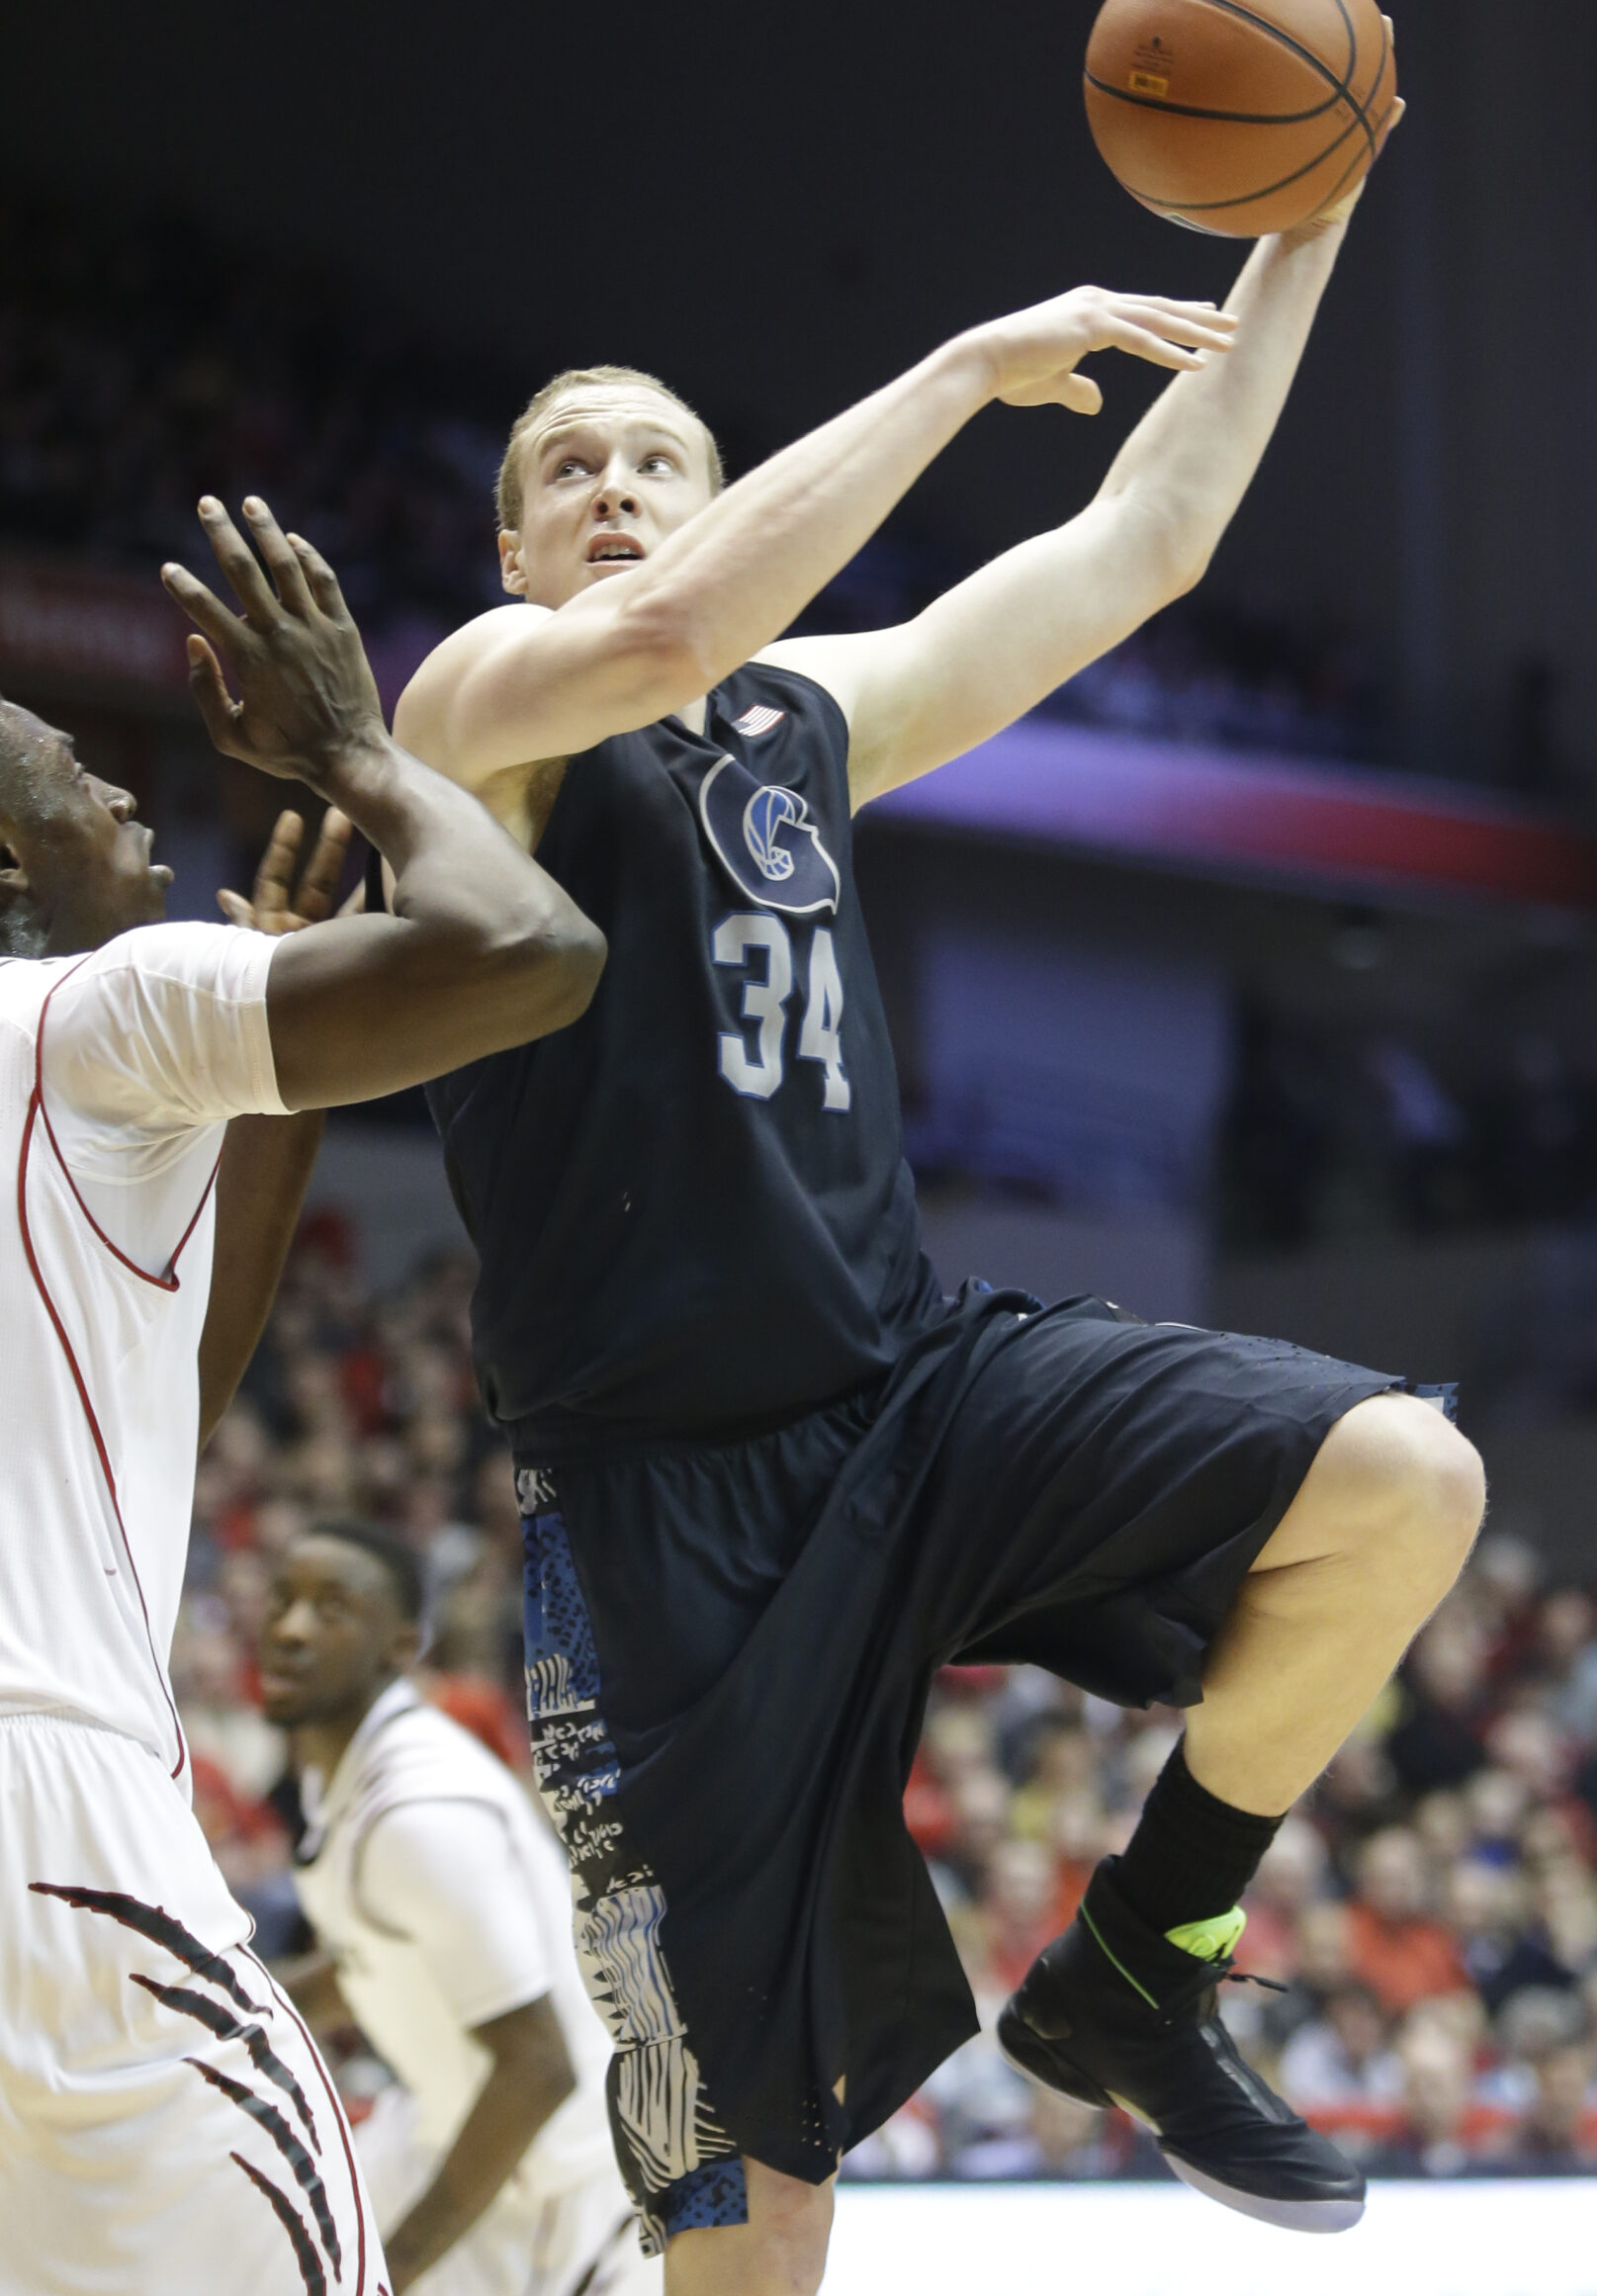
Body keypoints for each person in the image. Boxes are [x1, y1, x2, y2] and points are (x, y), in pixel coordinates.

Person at [397, 118, 1485, 2289]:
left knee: (1401, 1478)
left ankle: (1138, 1967)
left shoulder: (803, 710)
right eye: (569, 469)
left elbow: (1144, 536)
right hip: (657, 1510)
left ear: (716, 495)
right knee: (751, 2199)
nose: (615, 489)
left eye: (656, 460)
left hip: (906, 1388)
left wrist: (1314, 206)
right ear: (511, 544)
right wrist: (965, 367)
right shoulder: (474, 710)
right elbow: (665, 628)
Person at [0, 498, 605, 2294]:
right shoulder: (83, 1012)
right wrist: (357, 745)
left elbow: (157, 1403)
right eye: (70, 777)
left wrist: (266, 1104)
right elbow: (533, 954)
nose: (125, 797)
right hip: (53, 1809)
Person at [260, 1518, 655, 2296]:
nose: (292, 1629)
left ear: (402, 1647)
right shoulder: (346, 1774)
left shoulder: (421, 1815)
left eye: (332, 1608)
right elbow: (374, 1960)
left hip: (549, 2183)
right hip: (442, 2128)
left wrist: (397, 2269)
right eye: (280, 1600)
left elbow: (538, 2070)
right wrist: (226, 2019)